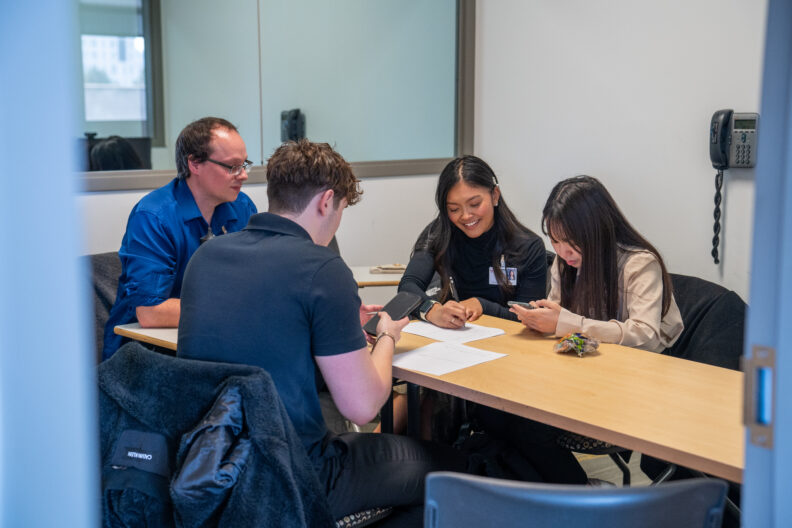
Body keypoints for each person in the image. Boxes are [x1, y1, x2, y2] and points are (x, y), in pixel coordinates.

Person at [177, 139, 468, 522]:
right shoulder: (322, 267)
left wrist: (339, 320)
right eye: (342, 209)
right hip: (296, 472)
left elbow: (273, 326)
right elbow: (363, 406)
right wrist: (386, 336)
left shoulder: (207, 257)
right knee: (458, 472)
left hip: (211, 465)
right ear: (326, 201)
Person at [102, 117, 257, 360]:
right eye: (232, 166)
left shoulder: (242, 207)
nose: (243, 175)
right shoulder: (154, 216)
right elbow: (150, 312)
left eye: (244, 164)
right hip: (146, 352)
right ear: (195, 163)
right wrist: (235, 310)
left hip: (216, 336)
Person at [510, 175, 683, 353]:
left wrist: (567, 324)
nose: (562, 252)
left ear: (597, 232)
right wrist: (540, 320)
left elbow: (645, 336)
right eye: (555, 241)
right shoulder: (564, 262)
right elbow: (559, 320)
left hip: (643, 365)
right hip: (591, 359)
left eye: (571, 240)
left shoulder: (640, 264)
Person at [399, 155, 547, 328]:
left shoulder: (528, 246)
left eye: (475, 204)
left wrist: (483, 306)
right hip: (452, 341)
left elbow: (529, 318)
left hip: (508, 345)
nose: (466, 216)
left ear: (495, 195)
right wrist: (432, 310)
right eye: (454, 209)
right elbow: (408, 286)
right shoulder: (439, 233)